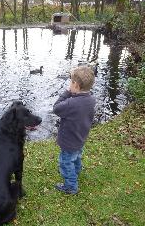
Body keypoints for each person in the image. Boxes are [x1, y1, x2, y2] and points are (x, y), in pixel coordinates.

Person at [53, 65, 96, 194]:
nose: (69, 84)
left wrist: (67, 92)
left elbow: (56, 108)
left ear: (75, 85)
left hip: (69, 141)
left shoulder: (71, 103)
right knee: (76, 157)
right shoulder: (91, 99)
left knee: (65, 162)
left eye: (71, 82)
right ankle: (76, 171)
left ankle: (71, 186)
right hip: (80, 138)